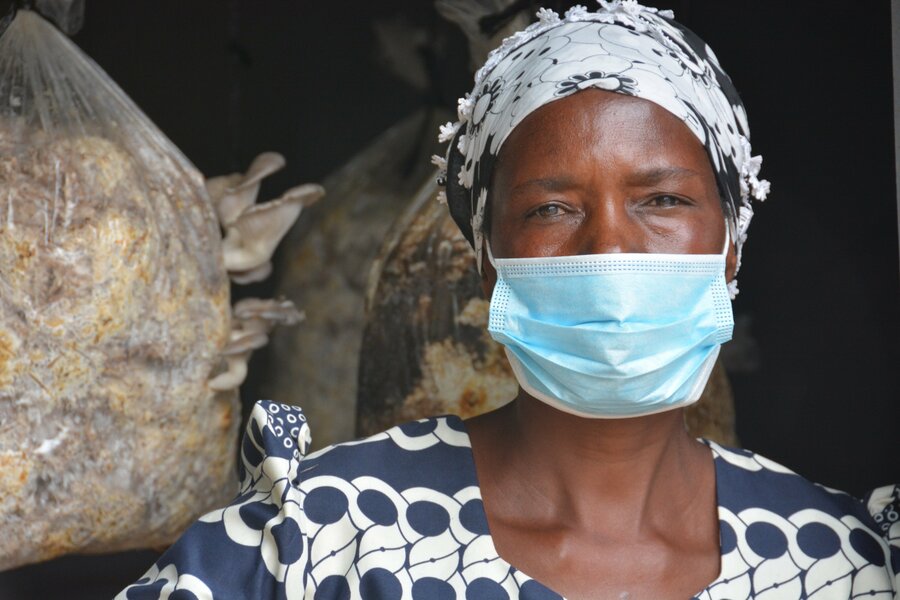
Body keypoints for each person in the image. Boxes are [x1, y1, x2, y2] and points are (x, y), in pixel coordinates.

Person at [119, 2, 899, 598]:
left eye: (660, 200)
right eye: (552, 208)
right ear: (488, 265)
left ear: (730, 251)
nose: (611, 249)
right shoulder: (319, 539)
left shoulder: (840, 563)